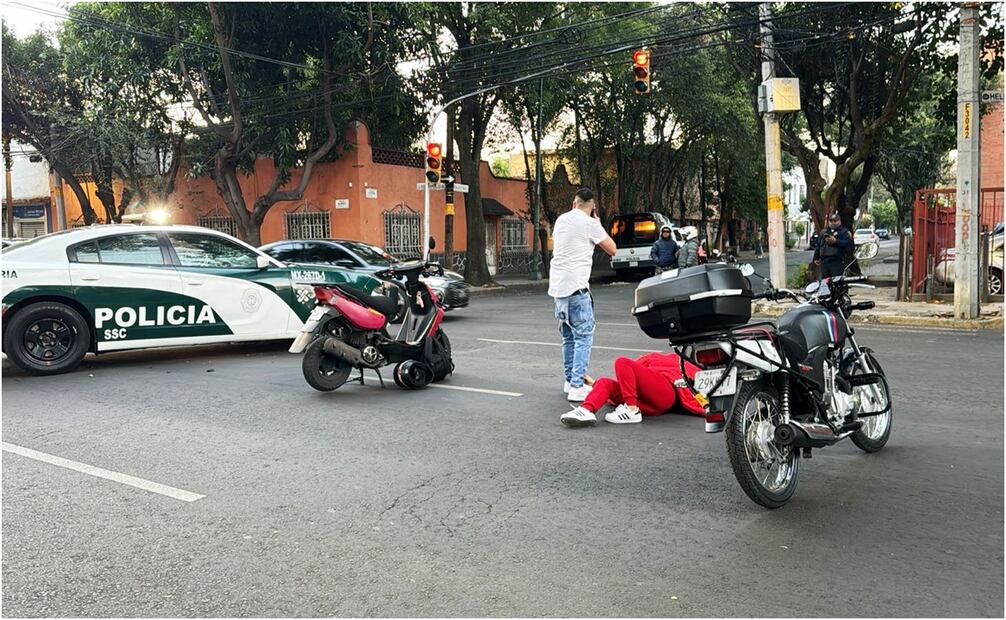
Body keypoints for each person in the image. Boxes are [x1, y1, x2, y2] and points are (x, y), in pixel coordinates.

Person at [548, 187, 617, 403]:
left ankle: (569, 381)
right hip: (577, 288)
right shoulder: (590, 224)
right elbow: (612, 248)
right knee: (583, 337)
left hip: (558, 290)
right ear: (592, 206)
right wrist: (596, 222)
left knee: (568, 337)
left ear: (573, 203)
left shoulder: (560, 220)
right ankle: (578, 385)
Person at [559, 352, 705, 427]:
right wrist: (595, 383)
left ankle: (631, 410)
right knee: (604, 382)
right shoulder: (675, 358)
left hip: (667, 392)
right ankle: (586, 410)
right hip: (652, 403)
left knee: (622, 362)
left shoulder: (671, 359)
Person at [814, 213, 853, 279]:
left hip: (837, 261)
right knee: (825, 283)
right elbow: (818, 245)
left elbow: (849, 245)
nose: (833, 223)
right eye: (831, 221)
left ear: (839, 221)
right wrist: (816, 257)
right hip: (824, 262)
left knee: (837, 282)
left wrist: (836, 241)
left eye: (835, 221)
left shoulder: (844, 232)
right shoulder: (824, 232)